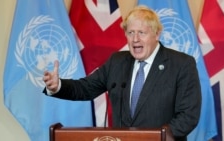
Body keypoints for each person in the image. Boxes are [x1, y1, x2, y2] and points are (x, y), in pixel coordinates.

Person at [43, 5, 201, 141]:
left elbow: (189, 115)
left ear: (157, 34)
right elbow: (86, 88)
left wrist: (159, 136)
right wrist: (58, 86)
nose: (135, 39)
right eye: (130, 33)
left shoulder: (181, 64)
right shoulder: (117, 62)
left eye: (141, 33)